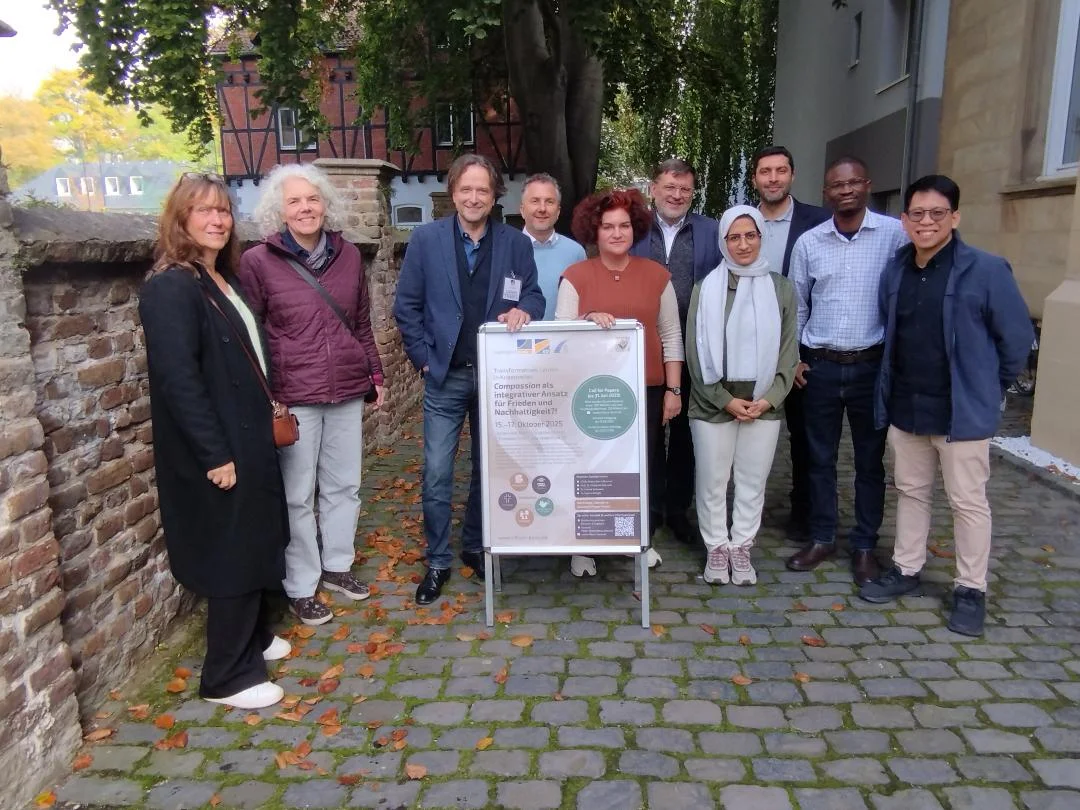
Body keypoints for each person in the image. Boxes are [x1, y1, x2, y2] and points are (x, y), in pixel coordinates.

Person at [139, 173, 290, 710]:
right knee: (231, 549)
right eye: (203, 211)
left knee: (256, 537)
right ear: (180, 219)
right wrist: (214, 454)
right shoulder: (171, 287)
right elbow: (178, 380)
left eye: (224, 211)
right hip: (219, 445)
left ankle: (253, 637)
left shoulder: (220, 278)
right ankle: (226, 675)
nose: (217, 220)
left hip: (248, 433)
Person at [860, 174, 1033, 636]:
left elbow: (1016, 340)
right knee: (912, 493)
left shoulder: (986, 270)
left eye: (938, 213)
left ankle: (971, 589)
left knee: (967, 502)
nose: (927, 222)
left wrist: (987, 388)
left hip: (961, 413)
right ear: (904, 220)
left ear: (955, 217)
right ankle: (906, 567)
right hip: (907, 406)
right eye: (917, 214)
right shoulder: (896, 269)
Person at [236, 164, 385, 626]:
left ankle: (338, 565)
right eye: (295, 201)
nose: (305, 208)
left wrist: (374, 374)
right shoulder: (258, 262)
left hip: (345, 387)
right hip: (294, 393)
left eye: (312, 199)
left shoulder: (348, 257)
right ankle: (302, 584)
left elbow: (360, 321)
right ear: (280, 211)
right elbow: (252, 332)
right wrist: (266, 392)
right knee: (297, 495)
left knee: (344, 486)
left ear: (325, 204)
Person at [394, 154, 545, 605]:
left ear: (494, 194)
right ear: (453, 192)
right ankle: (437, 560)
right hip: (445, 376)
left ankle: (477, 546)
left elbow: (533, 292)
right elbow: (407, 307)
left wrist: (527, 310)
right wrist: (423, 358)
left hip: (497, 378)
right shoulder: (426, 240)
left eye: (483, 189)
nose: (474, 197)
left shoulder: (516, 244)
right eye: (466, 189)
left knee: (489, 468)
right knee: (438, 472)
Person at [786, 156, 907, 586]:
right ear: (826, 192)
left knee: (869, 462)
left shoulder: (894, 236)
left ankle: (864, 546)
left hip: (870, 367)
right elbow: (798, 305)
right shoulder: (809, 243)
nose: (847, 190)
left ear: (868, 185)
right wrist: (794, 359)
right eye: (838, 185)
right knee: (817, 458)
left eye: (854, 182)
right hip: (819, 367)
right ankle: (822, 536)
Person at [557, 188, 685, 577]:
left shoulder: (657, 276)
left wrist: (673, 391)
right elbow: (559, 337)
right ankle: (584, 546)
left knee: (642, 468)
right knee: (591, 469)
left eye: (624, 226)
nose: (616, 233)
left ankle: (638, 540)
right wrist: (586, 320)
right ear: (593, 232)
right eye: (608, 226)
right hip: (588, 394)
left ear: (636, 229)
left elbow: (671, 336)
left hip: (644, 391)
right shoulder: (575, 277)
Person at [686, 206, 798, 585]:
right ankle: (716, 548)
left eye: (750, 235)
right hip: (714, 402)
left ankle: (742, 547)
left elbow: (788, 349)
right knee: (713, 481)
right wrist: (723, 399)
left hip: (764, 402)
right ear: (723, 241)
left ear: (761, 237)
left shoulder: (781, 288)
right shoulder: (707, 288)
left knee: (752, 481)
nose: (743, 243)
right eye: (734, 237)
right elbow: (696, 351)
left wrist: (771, 397)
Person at [630, 159, 721, 546]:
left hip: (695, 350)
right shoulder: (632, 229)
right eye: (670, 187)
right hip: (643, 351)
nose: (677, 195)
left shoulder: (711, 232)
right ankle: (648, 509)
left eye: (685, 189)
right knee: (647, 433)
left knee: (686, 434)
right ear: (654, 188)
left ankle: (678, 509)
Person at [752, 146, 831, 540]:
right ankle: (745, 508)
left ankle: (805, 514)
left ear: (792, 175)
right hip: (749, 351)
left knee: (805, 437)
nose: (773, 179)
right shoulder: (743, 223)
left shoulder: (819, 223)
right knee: (748, 430)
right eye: (765, 172)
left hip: (798, 350)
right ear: (755, 179)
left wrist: (797, 353)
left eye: (780, 171)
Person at [519, 172, 586, 319]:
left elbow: (584, 303)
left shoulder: (575, 253)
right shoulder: (506, 249)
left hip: (565, 340)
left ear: (558, 211)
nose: (542, 208)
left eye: (549, 202)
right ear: (522, 210)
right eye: (535, 201)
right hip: (517, 339)